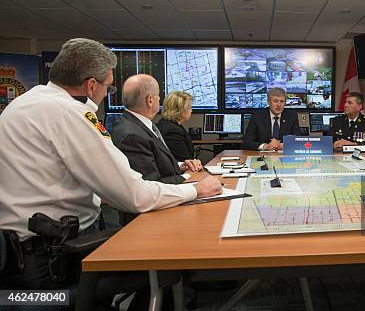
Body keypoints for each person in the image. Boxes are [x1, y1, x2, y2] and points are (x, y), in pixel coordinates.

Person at [0, 38, 221, 303]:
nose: (108, 93)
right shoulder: (70, 114)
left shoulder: (25, 103)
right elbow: (135, 195)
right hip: (53, 261)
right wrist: (195, 189)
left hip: (19, 254)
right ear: (91, 85)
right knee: (166, 266)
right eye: (108, 86)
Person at [112, 75, 202, 184]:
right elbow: (150, 185)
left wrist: (180, 166)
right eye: (158, 96)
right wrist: (188, 176)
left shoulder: (138, 125)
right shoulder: (132, 135)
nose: (160, 99)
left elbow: (155, 164)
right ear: (150, 100)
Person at [156, 91, 195, 162]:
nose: (191, 111)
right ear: (180, 110)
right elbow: (184, 160)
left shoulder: (169, 124)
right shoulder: (172, 131)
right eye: (189, 107)